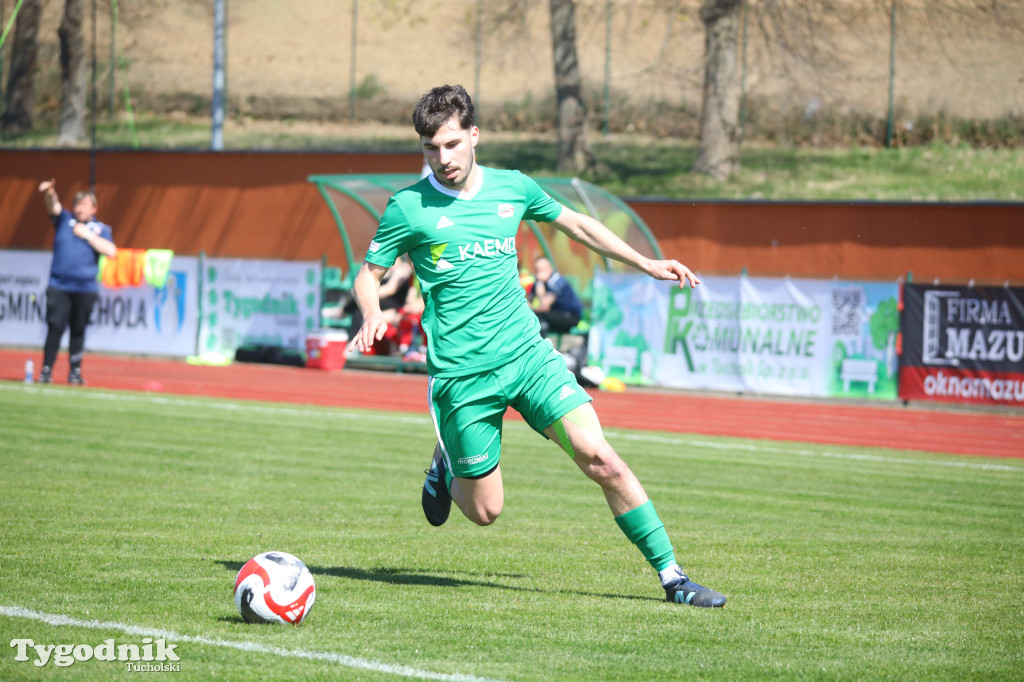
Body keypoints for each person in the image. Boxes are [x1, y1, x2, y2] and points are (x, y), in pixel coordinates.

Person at [350, 84, 725, 607]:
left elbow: (577, 224)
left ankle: (673, 578)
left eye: (452, 144)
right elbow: (368, 276)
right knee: (486, 512)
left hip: (528, 358)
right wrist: (372, 313)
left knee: (602, 459)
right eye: (431, 148)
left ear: (474, 135)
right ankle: (447, 464)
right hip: (462, 377)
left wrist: (645, 263)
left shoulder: (513, 187)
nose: (443, 158)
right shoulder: (408, 207)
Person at [36, 179, 117, 385]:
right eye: (77, 204)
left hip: (85, 289)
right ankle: (46, 370)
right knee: (55, 327)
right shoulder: (65, 219)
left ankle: (75, 372)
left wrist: (88, 235)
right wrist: (49, 193)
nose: (79, 208)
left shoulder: (100, 228)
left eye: (84, 205)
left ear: (94, 208)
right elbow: (53, 206)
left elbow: (111, 251)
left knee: (78, 329)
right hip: (59, 286)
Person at [529, 255, 583, 335]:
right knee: (531, 316)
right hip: (555, 315)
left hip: (571, 316)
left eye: (542, 269)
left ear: (550, 268)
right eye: (537, 270)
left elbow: (544, 304)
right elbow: (529, 300)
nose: (539, 273)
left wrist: (540, 282)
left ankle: (542, 341)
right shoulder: (537, 283)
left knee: (539, 317)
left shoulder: (556, 281)